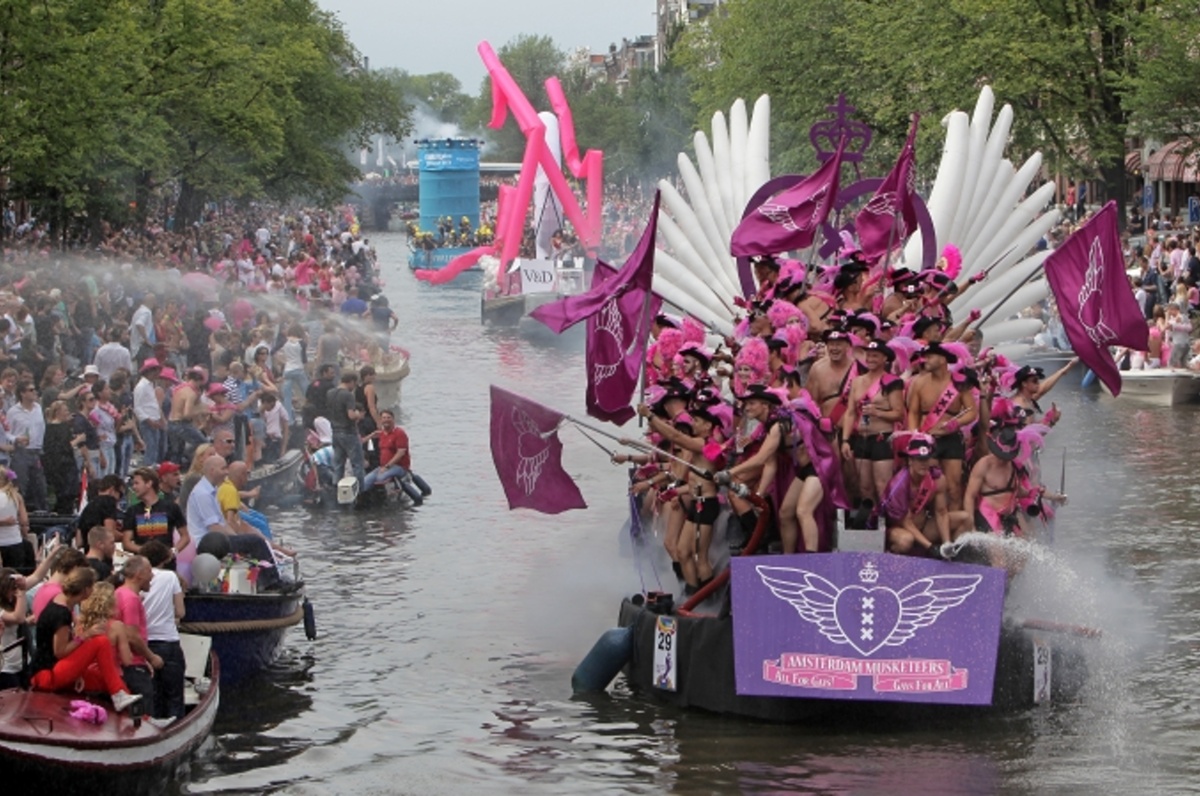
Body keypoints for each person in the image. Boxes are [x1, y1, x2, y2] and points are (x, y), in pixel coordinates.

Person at [30, 567, 143, 713]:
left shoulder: (59, 602)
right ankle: (120, 697)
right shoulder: (61, 613)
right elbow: (60, 652)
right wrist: (85, 635)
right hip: (47, 674)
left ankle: (136, 711)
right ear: (85, 590)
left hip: (51, 668)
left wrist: (78, 671)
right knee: (100, 642)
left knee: (104, 679)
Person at [186, 456, 281, 590]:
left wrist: (238, 538)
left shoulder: (211, 491)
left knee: (250, 540)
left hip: (216, 539)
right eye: (223, 469)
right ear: (212, 471)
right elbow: (214, 527)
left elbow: (224, 523)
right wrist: (239, 541)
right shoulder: (203, 494)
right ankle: (272, 582)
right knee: (255, 542)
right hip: (207, 542)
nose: (226, 472)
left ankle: (262, 580)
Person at [906, 343, 977, 512]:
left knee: (954, 487)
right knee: (928, 484)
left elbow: (971, 412)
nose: (925, 360)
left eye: (930, 357)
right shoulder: (918, 382)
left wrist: (954, 424)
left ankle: (953, 523)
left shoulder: (959, 382)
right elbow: (913, 412)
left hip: (951, 439)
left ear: (943, 359)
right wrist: (914, 434)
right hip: (926, 438)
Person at [880, 434, 963, 556]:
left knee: (964, 519)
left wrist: (947, 543)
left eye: (926, 459)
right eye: (919, 460)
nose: (924, 464)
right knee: (905, 541)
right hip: (899, 530)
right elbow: (906, 522)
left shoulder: (937, 478)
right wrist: (930, 547)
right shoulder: (898, 485)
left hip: (924, 527)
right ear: (910, 461)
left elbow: (941, 512)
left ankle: (953, 556)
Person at [140, 541, 186, 721]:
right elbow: (181, 611)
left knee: (153, 693)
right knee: (174, 693)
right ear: (164, 559)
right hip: (168, 641)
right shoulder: (170, 577)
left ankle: (153, 726)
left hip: (144, 643)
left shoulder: (137, 578)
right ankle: (176, 724)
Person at [113, 556, 163, 711]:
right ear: (139, 575)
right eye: (149, 571)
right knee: (143, 712)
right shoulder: (131, 599)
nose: (152, 576)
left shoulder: (119, 593)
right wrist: (151, 657)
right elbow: (132, 636)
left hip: (123, 664)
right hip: (133, 667)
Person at [122, 467, 189, 564]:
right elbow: (126, 543)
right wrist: (145, 552)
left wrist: (173, 552)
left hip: (166, 565)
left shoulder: (171, 507)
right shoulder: (132, 511)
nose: (133, 487)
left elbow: (185, 537)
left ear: (149, 484)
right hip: (142, 566)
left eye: (137, 483)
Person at [8, 380, 48, 511]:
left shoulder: (38, 408)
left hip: (36, 451)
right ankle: (17, 512)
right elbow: (6, 433)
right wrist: (16, 439)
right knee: (21, 484)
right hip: (21, 451)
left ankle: (42, 512)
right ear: (22, 393)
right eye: (30, 390)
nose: (34, 392)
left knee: (40, 485)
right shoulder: (13, 412)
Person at [327, 372, 365, 488]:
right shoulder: (348, 395)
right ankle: (360, 491)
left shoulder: (330, 393)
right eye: (355, 384)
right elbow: (351, 415)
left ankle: (336, 489)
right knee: (357, 464)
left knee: (338, 464)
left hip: (335, 432)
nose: (354, 387)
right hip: (348, 432)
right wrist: (358, 414)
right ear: (352, 382)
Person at [134, 358, 166, 466]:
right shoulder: (141, 386)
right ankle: (148, 467)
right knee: (150, 447)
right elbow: (138, 407)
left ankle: (152, 466)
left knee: (155, 447)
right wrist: (149, 420)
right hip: (147, 422)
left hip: (154, 420)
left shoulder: (150, 385)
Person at [0, 567, 27, 688]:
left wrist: (52, 558)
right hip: (6, 668)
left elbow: (37, 577)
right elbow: (18, 618)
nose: (15, 593)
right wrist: (21, 591)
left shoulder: (11, 604)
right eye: (13, 589)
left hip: (20, 664)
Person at [0, 468, 31, 572]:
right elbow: (24, 521)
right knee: (15, 574)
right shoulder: (16, 496)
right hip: (14, 542)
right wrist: (25, 534)